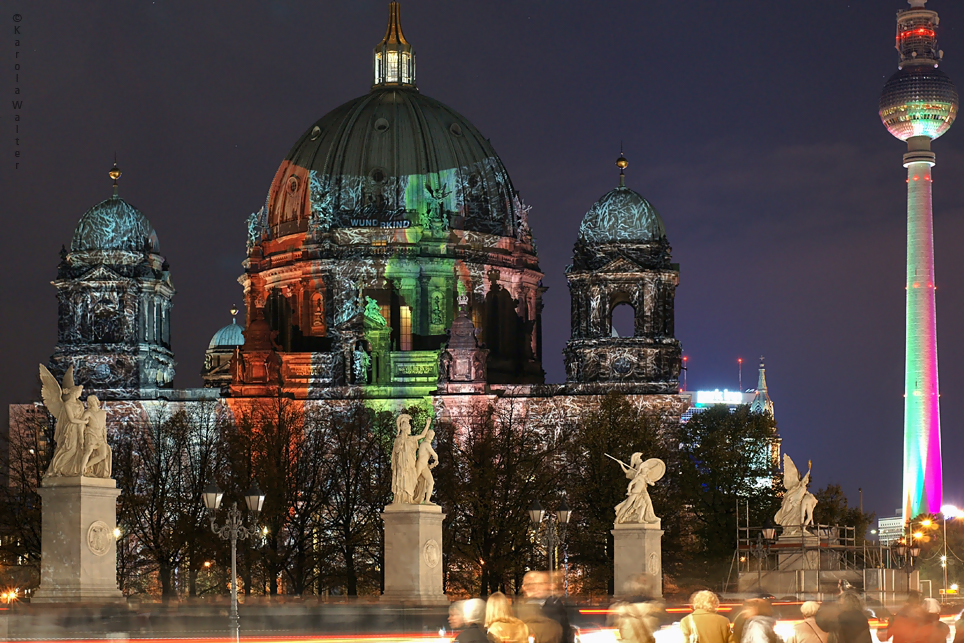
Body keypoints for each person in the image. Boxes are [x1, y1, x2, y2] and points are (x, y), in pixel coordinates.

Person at [515, 571, 563, 643]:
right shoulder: (517, 609)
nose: (535, 588)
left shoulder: (556, 608)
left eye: (540, 584)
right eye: (530, 584)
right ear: (523, 587)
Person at [412, 428, 439, 504]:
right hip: (420, 464)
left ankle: (427, 501)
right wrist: (436, 459)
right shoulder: (425, 444)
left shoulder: (427, 444)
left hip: (425, 466)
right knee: (414, 480)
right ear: (426, 434)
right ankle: (408, 497)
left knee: (431, 482)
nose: (431, 436)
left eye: (432, 435)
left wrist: (432, 465)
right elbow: (434, 454)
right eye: (430, 434)